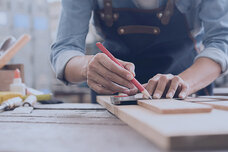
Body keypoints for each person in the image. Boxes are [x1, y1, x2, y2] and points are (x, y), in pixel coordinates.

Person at [51, 0, 228, 103]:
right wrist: (86, 66)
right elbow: (64, 50)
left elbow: (221, 42)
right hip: (114, 100)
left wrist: (184, 83)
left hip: (185, 96)